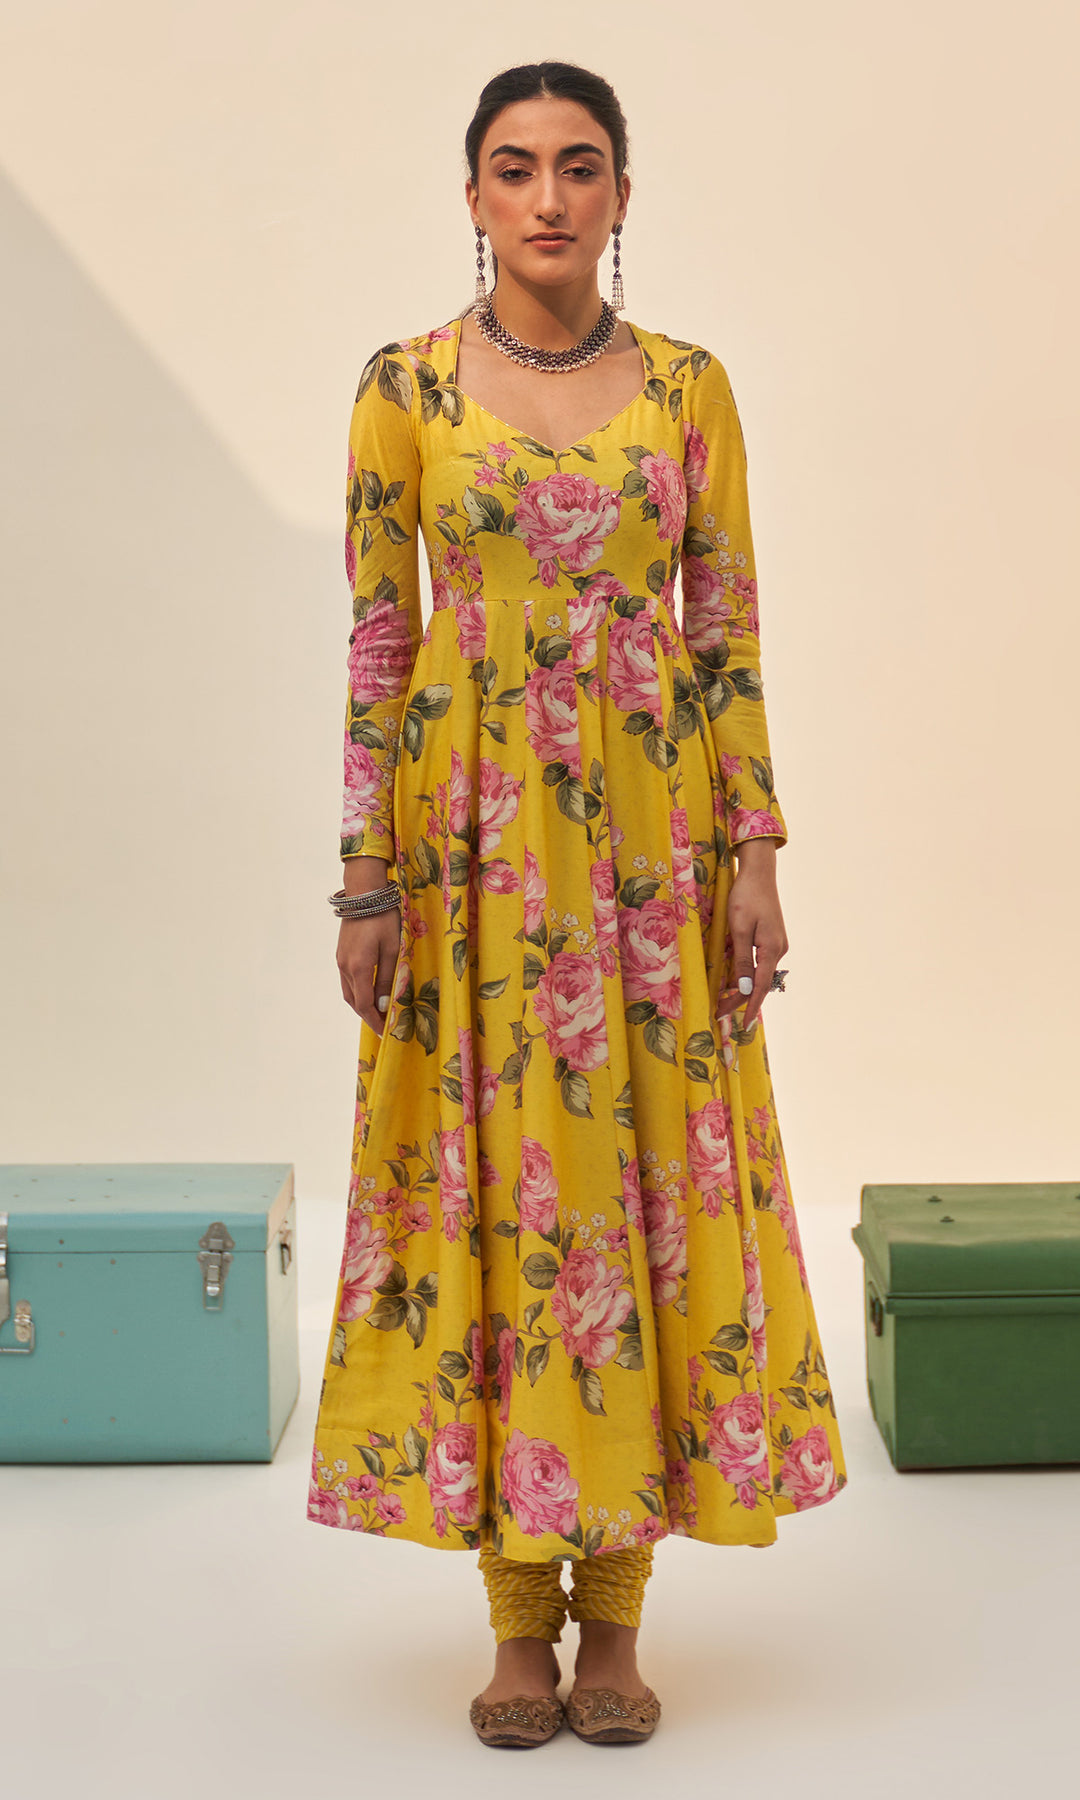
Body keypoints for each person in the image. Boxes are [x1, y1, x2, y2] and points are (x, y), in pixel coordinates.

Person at [306, 60, 848, 1748]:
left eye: (581, 165)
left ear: (622, 192)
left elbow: (726, 626)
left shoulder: (688, 388)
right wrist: (363, 874)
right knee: (496, 1197)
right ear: (471, 195)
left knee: (633, 1197)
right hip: (464, 858)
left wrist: (755, 852)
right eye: (516, 166)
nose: (549, 196)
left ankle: (614, 1620)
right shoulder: (402, 386)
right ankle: (515, 1634)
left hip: (648, 852)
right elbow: (379, 639)